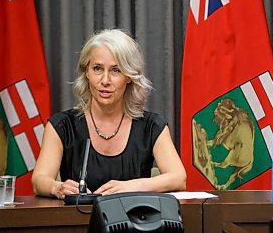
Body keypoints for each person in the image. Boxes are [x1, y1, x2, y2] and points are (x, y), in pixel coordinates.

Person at [32, 29, 186, 199]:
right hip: (76, 223)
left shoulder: (151, 126)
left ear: (129, 76)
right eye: (97, 69)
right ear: (86, 73)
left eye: (116, 70)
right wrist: (57, 187)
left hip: (133, 222)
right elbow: (39, 180)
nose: (105, 80)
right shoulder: (61, 126)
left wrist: (133, 186)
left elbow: (179, 178)